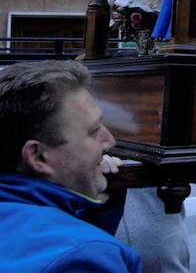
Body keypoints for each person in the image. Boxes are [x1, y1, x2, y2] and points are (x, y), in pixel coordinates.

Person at [0, 60, 141, 272]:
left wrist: (95, 210)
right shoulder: (83, 257)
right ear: (39, 157)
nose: (110, 141)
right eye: (93, 131)